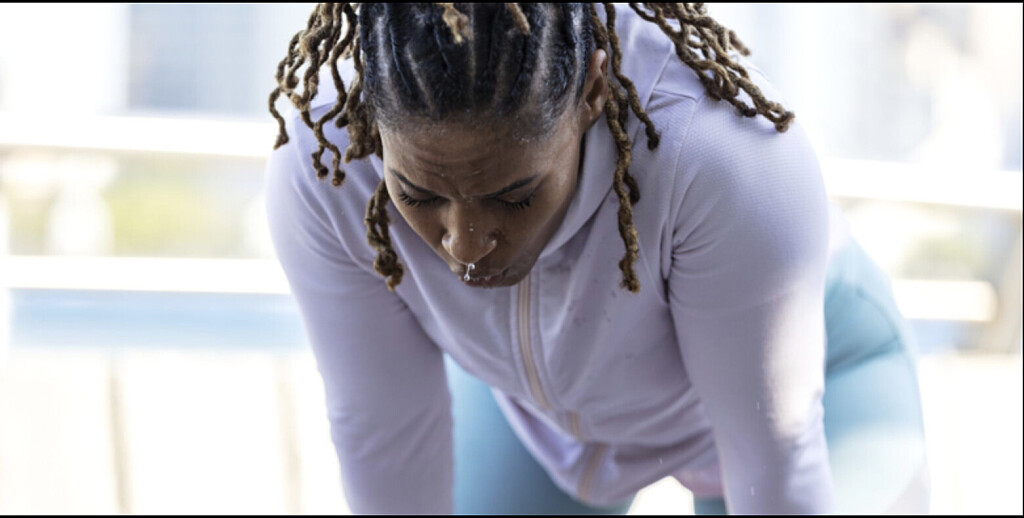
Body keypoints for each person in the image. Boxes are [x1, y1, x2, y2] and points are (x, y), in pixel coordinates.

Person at [264, 3, 930, 514]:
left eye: (514, 196)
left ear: (592, 92)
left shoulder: (720, 156)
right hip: (538, 419)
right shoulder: (327, 163)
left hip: (815, 396)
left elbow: (776, 460)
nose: (464, 245)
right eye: (418, 194)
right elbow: (384, 432)